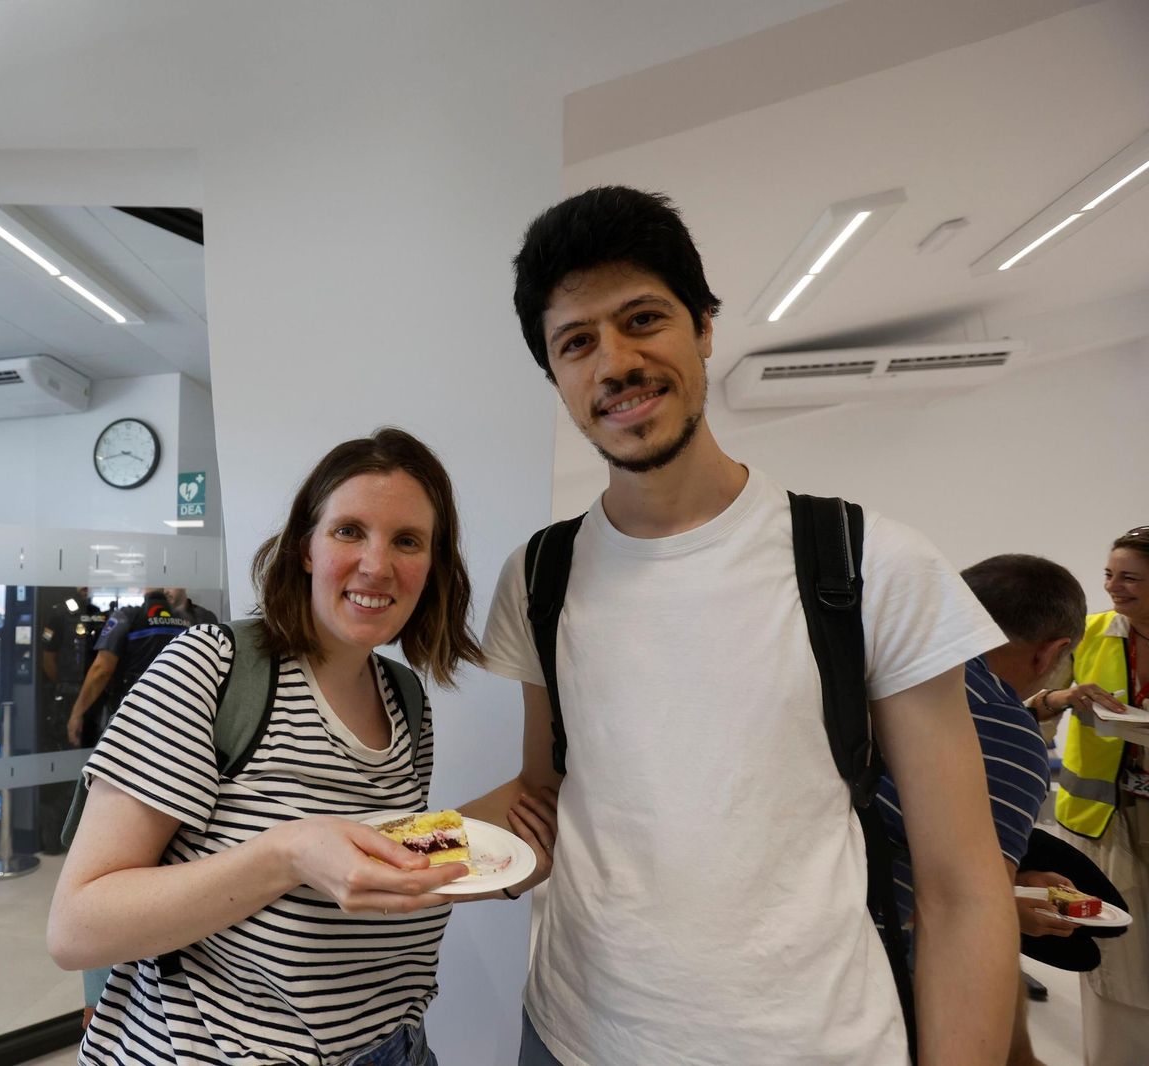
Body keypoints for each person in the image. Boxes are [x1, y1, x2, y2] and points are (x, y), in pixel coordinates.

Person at [473, 186, 1018, 1065]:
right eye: (576, 343)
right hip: (574, 1034)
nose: (613, 362)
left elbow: (961, 889)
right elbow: (546, 798)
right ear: (557, 377)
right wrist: (387, 853)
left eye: (642, 319)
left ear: (705, 328)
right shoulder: (541, 575)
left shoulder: (870, 561)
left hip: (814, 1043)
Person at [47, 427, 554, 1065]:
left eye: (407, 540)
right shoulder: (210, 669)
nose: (377, 565)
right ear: (306, 548)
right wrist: (285, 854)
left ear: (433, 566)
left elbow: (376, 862)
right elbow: (76, 929)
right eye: (349, 531)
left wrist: (505, 854)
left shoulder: (405, 700)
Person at [875, 554, 1088, 1066]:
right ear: (1051, 653)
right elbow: (964, 922)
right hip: (866, 982)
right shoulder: (1004, 729)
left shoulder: (874, 657)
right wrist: (1000, 905)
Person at [1046, 527, 1149, 1066]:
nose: (1113, 587)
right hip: (1101, 822)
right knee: (1115, 956)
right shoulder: (1088, 634)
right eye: (1110, 574)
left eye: (1129, 577)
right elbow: (1028, 702)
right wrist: (1065, 695)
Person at [64, 588, 195, 748]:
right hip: (178, 716)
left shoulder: (126, 616)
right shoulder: (187, 621)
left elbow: (101, 670)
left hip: (133, 717)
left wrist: (77, 713)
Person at [39, 588, 110, 853]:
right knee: (68, 763)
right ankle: (59, 834)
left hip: (95, 697)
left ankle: (84, 834)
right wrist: (66, 688)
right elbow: (49, 658)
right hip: (69, 696)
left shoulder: (104, 614)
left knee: (91, 766)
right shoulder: (60, 613)